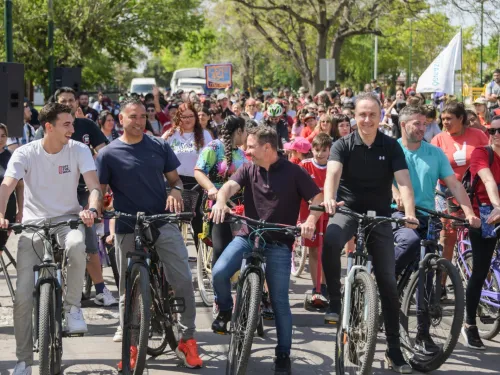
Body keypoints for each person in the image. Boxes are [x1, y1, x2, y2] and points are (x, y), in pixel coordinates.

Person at [96, 97, 203, 369]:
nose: (139, 121)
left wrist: (177, 190)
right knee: (126, 291)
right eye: (133, 116)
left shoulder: (159, 145)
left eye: (143, 116)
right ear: (121, 119)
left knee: (182, 278)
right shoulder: (109, 153)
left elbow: (174, 179)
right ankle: (130, 347)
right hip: (127, 225)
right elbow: (100, 189)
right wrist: (97, 208)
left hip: (161, 220)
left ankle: (187, 339)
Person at [210, 125, 323, 374]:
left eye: (250, 146)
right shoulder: (249, 167)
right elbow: (229, 186)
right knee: (218, 272)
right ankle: (227, 309)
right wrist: (220, 200)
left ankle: (283, 353)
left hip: (279, 242)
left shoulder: (294, 172)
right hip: (248, 236)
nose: (246, 150)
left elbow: (317, 199)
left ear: (267, 147)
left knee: (280, 301)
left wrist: (310, 222)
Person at [0, 103, 101, 375]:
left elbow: (93, 186)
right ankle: (23, 362)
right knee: (22, 296)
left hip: (67, 221)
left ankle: (72, 308)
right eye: (66, 124)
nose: (73, 129)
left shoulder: (79, 150)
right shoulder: (25, 153)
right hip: (33, 226)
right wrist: (0, 213)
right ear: (49, 127)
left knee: (78, 244)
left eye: (72, 124)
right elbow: (7, 185)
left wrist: (91, 208)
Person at [322, 93, 418, 373]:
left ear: (380, 117)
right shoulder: (342, 144)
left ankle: (394, 351)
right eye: (362, 114)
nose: (366, 119)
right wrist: (329, 198)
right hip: (348, 209)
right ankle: (336, 300)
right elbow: (332, 175)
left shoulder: (390, 146)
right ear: (354, 116)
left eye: (372, 115)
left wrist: (409, 213)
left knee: (388, 283)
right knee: (330, 239)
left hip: (380, 215)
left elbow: (404, 183)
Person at [391, 105, 480, 355]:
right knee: (407, 243)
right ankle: (385, 281)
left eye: (424, 124)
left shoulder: (435, 153)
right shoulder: (391, 150)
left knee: (428, 274)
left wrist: (469, 213)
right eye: (416, 124)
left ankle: (422, 334)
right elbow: (384, 182)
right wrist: (396, 193)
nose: (422, 128)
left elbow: (454, 185)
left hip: (428, 217)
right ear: (403, 124)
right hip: (398, 215)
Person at [34, 87, 116, 307]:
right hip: (53, 190)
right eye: (64, 100)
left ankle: (100, 289)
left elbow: (104, 152)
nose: (68, 103)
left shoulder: (87, 126)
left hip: (83, 189)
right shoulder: (43, 130)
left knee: (88, 238)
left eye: (72, 100)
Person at [431, 102, 489, 292]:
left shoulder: (478, 135)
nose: (445, 122)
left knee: (479, 238)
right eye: (443, 119)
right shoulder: (438, 139)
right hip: (447, 193)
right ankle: (440, 285)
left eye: (449, 119)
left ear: (461, 118)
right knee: (448, 237)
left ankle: (483, 285)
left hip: (476, 192)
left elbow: (489, 158)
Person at [464, 115, 500, 349]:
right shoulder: (481, 152)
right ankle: (470, 325)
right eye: (492, 130)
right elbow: (488, 181)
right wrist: (498, 206)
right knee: (480, 271)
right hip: (484, 214)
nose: (495, 135)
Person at [194, 115, 248, 270]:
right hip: (216, 203)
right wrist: (211, 188)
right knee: (221, 246)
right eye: (245, 132)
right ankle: (219, 286)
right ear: (239, 131)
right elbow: (199, 172)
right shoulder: (214, 148)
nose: (245, 136)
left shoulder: (242, 154)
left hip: (238, 204)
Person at [163, 102, 213, 248]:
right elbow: (159, 151)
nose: (188, 119)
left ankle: (201, 257)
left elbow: (212, 157)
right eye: (184, 116)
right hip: (174, 182)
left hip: (196, 182)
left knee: (197, 220)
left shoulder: (204, 135)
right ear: (179, 117)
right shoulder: (171, 134)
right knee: (172, 221)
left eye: (191, 116)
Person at [298, 133, 331, 307]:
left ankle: (325, 286)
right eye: (317, 150)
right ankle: (316, 287)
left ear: (329, 151)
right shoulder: (305, 165)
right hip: (309, 213)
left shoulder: (333, 166)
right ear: (312, 150)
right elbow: (298, 187)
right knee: (313, 250)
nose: (320, 154)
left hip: (328, 213)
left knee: (326, 249)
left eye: (324, 150)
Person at [0, 124, 24, 250]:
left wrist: (20, 211)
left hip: (8, 207)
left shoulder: (12, 157)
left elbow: (20, 186)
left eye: (3, 136)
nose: (0, 139)